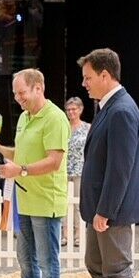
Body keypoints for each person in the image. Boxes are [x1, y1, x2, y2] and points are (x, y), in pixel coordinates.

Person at [74, 48, 139, 278]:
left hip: (112, 212)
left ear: (106, 76)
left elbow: (119, 170)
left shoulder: (120, 110)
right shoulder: (110, 106)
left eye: (88, 77)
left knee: (117, 271)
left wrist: (105, 211)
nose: (85, 83)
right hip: (102, 210)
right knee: (97, 267)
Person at [0, 68, 69, 278]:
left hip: (46, 201)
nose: (18, 98)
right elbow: (22, 152)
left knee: (48, 263)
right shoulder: (26, 118)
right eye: (15, 93)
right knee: (26, 260)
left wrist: (21, 170)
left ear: (38, 88)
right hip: (25, 200)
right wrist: (0, 149)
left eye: (22, 93)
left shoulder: (55, 118)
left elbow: (54, 161)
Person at [61, 97, 90, 247]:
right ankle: (65, 235)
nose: (71, 112)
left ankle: (79, 235)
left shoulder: (88, 128)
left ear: (81, 109)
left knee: (79, 203)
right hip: (63, 170)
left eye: (74, 109)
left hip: (81, 170)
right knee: (64, 204)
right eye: (68, 109)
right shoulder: (63, 126)